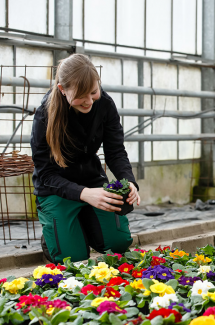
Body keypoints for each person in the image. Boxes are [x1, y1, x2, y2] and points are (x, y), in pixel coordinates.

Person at [31, 53, 140, 264]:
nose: (90, 101)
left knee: (118, 244)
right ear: (63, 90)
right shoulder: (46, 114)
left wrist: (130, 182)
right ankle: (57, 232)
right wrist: (84, 194)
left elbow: (116, 151)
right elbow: (46, 174)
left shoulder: (105, 104)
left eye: (94, 91)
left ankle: (84, 225)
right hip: (56, 190)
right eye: (82, 95)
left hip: (92, 182)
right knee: (72, 258)